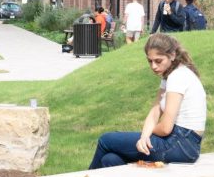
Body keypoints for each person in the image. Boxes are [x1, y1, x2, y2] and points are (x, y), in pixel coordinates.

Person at [88, 33, 206, 169]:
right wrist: (144, 136)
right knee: (111, 159)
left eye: (158, 60)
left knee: (106, 140)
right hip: (180, 144)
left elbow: (166, 127)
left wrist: (146, 135)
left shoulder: (177, 77)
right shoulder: (168, 76)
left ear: (172, 55)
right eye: (150, 61)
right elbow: (155, 110)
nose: (154, 66)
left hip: (179, 144)